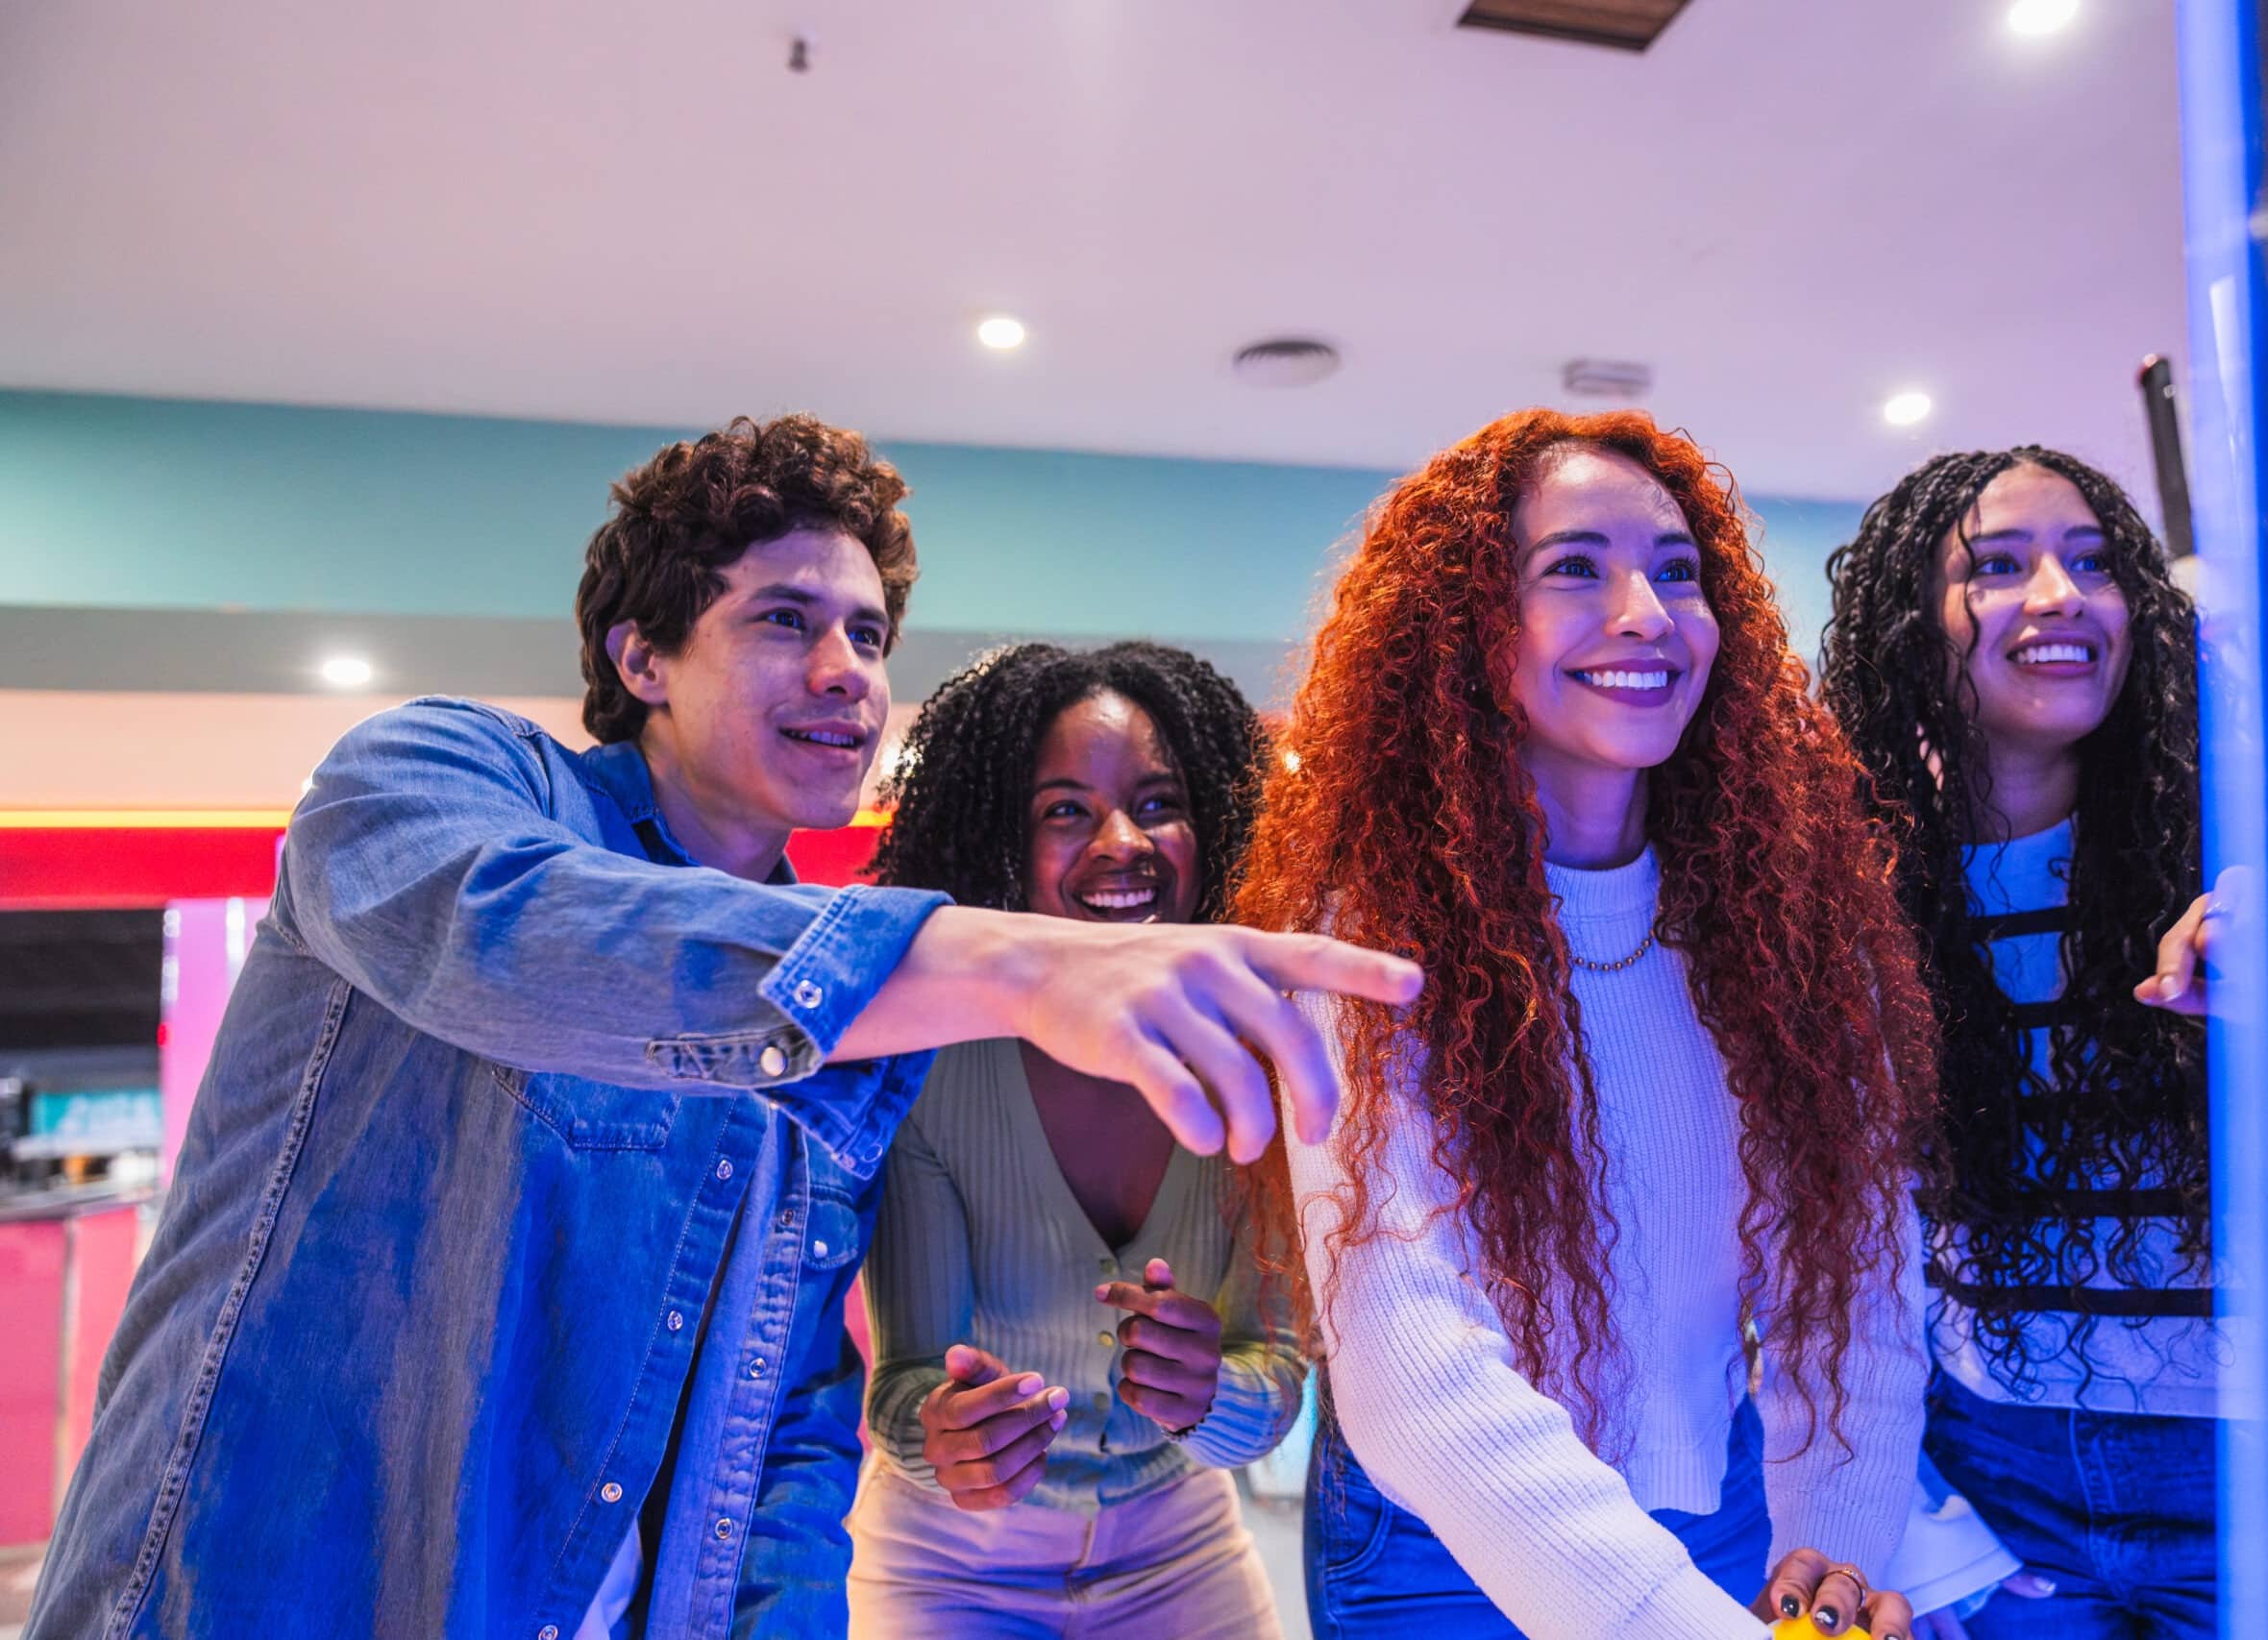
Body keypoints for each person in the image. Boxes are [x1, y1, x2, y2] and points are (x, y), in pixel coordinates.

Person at [26, 415, 1418, 1640]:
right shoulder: (429, 775)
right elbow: (521, 938)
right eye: (785, 620)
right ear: (642, 655)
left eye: (868, 635)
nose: (846, 670)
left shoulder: (846, 1054)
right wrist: (1012, 957)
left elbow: (787, 1432)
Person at [1235, 407, 1935, 1640]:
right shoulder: (1364, 939)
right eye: (1573, 567)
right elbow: (1403, 1349)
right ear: (1463, 625)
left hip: (1726, 1516)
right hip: (1437, 1547)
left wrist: (1830, 1551)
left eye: (1677, 570)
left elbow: (1854, 1285)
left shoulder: (1792, 929)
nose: (1646, 613)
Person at [1821, 447, 2221, 1639]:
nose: (2059, 596)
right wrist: (1911, 1527)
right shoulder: (1854, 898)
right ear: (1911, 627)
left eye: (2093, 564)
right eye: (1996, 566)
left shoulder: (2245, 857)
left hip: (2258, 1464)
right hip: (1994, 1482)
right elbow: (1839, 1243)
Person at [850, 640, 1303, 1636]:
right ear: (1001, 842)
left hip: (1179, 1548)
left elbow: (1274, 1379)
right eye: (1066, 811)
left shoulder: (1261, 1069)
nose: (1121, 842)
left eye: (1158, 803)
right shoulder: (932, 1068)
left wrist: (1210, 1393)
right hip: (945, 1566)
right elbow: (902, 1382)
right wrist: (943, 1434)